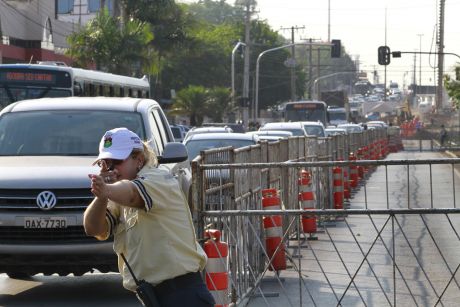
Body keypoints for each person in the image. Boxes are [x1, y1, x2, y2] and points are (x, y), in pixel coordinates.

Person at [83, 127, 215, 307]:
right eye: (104, 163)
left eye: (116, 161)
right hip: (155, 296)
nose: (110, 169)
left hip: (183, 294)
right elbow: (93, 229)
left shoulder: (158, 179)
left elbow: (132, 194)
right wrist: (101, 196)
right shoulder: (117, 192)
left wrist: (106, 189)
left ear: (138, 159)